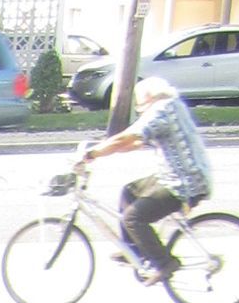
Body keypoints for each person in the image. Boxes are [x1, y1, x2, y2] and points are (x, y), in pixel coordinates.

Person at [80, 76, 214, 282]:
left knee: (133, 218)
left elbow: (127, 137)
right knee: (130, 192)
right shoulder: (171, 106)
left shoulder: (162, 109)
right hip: (176, 175)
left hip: (184, 182)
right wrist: (104, 149)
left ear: (148, 96)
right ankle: (135, 251)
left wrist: (92, 154)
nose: (138, 107)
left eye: (139, 102)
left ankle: (164, 263)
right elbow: (131, 143)